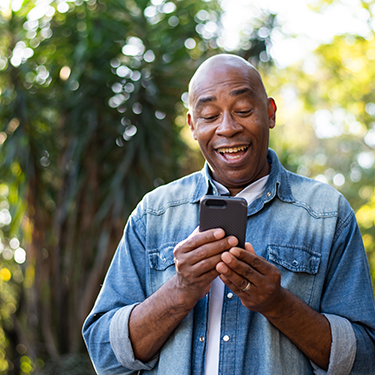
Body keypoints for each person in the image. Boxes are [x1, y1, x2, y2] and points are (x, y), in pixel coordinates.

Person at [82, 54, 375, 375]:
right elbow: (104, 354)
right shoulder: (154, 213)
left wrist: (278, 304)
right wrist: (179, 291)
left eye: (244, 111)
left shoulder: (327, 214)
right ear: (193, 126)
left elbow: (365, 359)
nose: (228, 128)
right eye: (209, 115)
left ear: (270, 113)